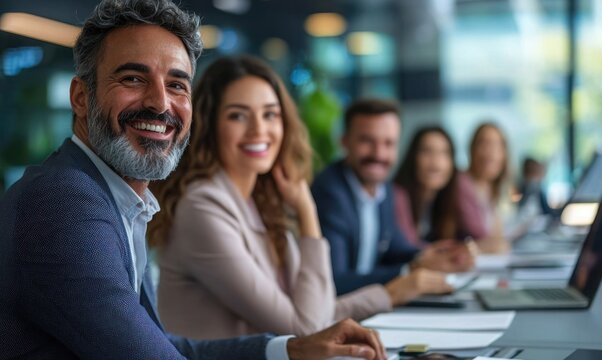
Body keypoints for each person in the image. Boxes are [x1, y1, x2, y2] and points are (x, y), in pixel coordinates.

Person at [0, 1, 386, 359]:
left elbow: (164, 344)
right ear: (81, 98)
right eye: (134, 78)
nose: (160, 103)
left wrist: (290, 349)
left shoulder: (119, 199)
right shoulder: (63, 203)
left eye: (177, 84)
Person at [148, 55, 392, 340]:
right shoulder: (202, 208)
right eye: (238, 115)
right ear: (209, 126)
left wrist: (390, 295)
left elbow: (314, 312)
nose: (259, 130)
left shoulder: (259, 203)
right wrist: (307, 212)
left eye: (270, 114)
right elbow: (305, 330)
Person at [311, 99, 474, 299]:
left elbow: (395, 247)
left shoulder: (383, 188)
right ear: (344, 141)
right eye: (366, 141)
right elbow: (334, 280)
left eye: (388, 143)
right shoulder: (331, 193)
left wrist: (430, 256)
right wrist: (407, 271)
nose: (379, 154)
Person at [393, 126, 487, 245]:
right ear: (413, 158)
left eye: (444, 153)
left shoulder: (442, 201)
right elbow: (408, 249)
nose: (436, 162)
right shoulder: (398, 196)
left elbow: (479, 233)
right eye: (427, 151)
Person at [461, 122, 511, 253]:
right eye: (484, 144)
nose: (491, 153)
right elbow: (483, 238)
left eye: (498, 146)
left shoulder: (490, 189)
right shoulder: (462, 184)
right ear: (472, 149)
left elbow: (498, 238)